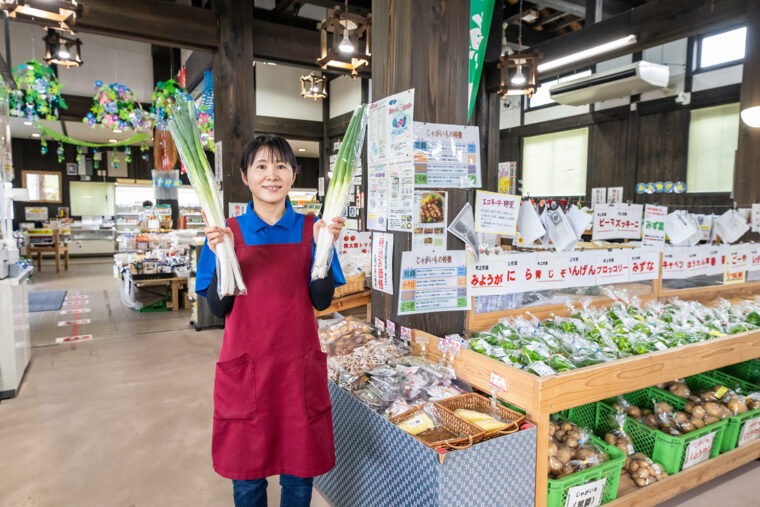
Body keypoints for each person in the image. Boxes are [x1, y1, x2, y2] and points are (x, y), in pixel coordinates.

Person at [195, 135, 345, 507]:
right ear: (245, 176)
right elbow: (217, 308)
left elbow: (321, 301)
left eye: (280, 166)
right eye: (261, 166)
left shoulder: (313, 229)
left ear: (293, 175)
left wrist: (325, 248)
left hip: (297, 369)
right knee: (248, 477)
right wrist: (222, 254)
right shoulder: (226, 231)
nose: (271, 175)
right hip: (248, 371)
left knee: (299, 475)